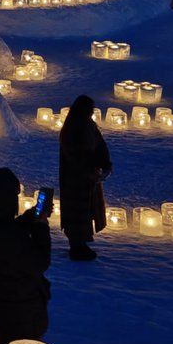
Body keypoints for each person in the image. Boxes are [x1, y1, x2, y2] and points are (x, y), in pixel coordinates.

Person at [0, 167, 51, 343]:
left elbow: (6, 232)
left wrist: (29, 218)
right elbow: (38, 262)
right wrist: (41, 227)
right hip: (15, 316)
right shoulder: (2, 236)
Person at [59, 95, 112, 260]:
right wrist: (87, 168)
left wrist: (104, 164)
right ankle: (77, 245)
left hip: (89, 177)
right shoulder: (72, 129)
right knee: (76, 212)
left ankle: (82, 242)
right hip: (75, 178)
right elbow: (73, 154)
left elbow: (100, 145)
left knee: (87, 210)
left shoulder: (90, 126)